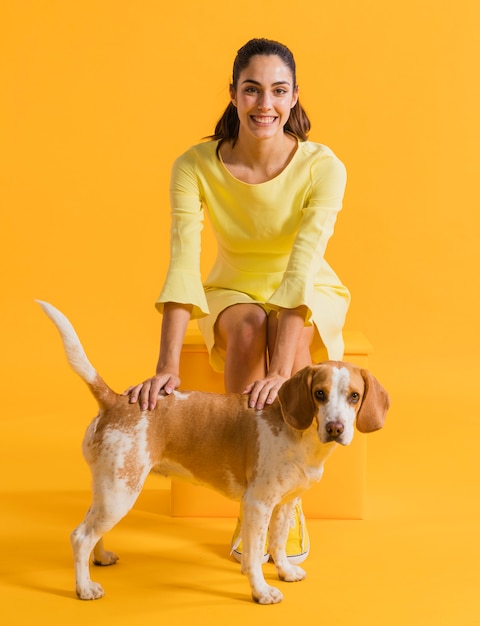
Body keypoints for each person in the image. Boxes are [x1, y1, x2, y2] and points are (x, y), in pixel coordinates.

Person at [125, 37, 350, 564]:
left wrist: (279, 371)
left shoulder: (323, 166)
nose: (264, 104)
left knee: (285, 356)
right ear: (232, 94)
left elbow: (302, 263)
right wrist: (165, 366)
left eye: (277, 91)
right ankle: (255, 497)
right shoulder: (194, 165)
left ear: (295, 97)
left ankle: (285, 509)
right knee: (249, 325)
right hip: (233, 286)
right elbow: (183, 260)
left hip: (309, 286)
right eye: (251, 90)